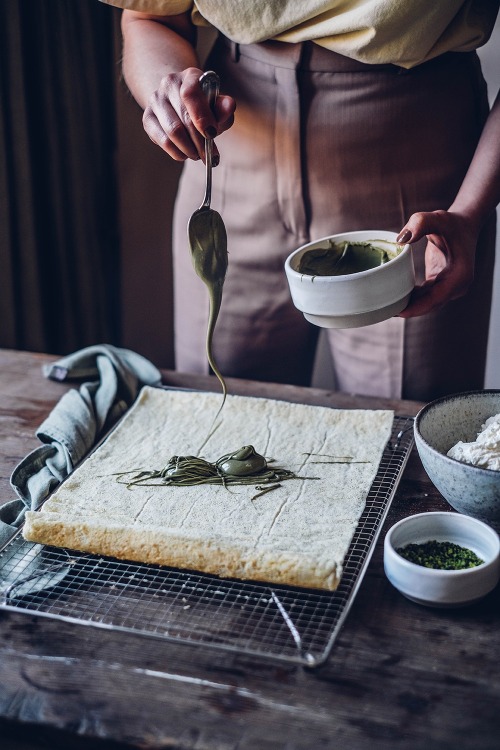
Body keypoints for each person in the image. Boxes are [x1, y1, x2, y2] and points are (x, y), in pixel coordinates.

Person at [100, 0, 500, 401]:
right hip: (231, 155)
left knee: (409, 425)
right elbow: (150, 17)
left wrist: (468, 213)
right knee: (215, 410)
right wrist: (167, 89)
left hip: (415, 156)